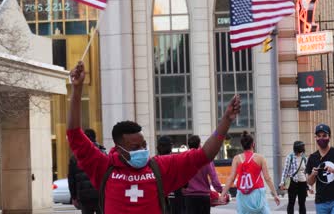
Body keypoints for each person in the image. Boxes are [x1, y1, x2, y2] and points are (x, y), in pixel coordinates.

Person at [67, 61, 241, 214]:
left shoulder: (160, 168)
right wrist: (77, 89)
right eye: (135, 148)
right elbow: (74, 135)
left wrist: (226, 120)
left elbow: (205, 155)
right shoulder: (103, 167)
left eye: (144, 145)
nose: (142, 151)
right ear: (119, 149)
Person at [220, 131, 280, 214]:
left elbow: (231, 178)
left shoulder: (236, 159)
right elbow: (267, 178)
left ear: (242, 146)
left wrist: (223, 194)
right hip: (257, 192)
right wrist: (275, 194)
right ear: (253, 144)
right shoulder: (260, 158)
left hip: (242, 194)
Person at [306, 124, 334, 214]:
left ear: (329, 137)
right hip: (321, 201)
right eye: (318, 136)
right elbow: (310, 182)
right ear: (315, 138)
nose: (321, 139)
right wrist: (313, 174)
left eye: (324, 136)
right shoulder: (312, 157)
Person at [68, 129, 107, 213]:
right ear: (95, 138)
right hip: (100, 194)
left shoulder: (75, 157)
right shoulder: (103, 153)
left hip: (84, 197)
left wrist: (74, 197)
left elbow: (71, 179)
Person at [182, 135, 223, 214]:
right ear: (199, 144)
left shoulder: (183, 158)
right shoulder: (205, 158)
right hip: (204, 196)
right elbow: (213, 176)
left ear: (188, 145)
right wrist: (219, 190)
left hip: (189, 196)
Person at [156, 135, 184, 214]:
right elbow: (185, 184)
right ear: (171, 147)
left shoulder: (153, 162)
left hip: (159, 200)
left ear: (158, 147)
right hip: (176, 200)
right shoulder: (178, 161)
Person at [279, 141, 308, 214]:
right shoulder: (290, 157)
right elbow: (285, 171)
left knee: (302, 204)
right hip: (292, 183)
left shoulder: (304, 157)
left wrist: (309, 186)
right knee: (291, 203)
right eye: (302, 147)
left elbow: (306, 172)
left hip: (303, 183)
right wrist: (282, 182)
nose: (303, 148)